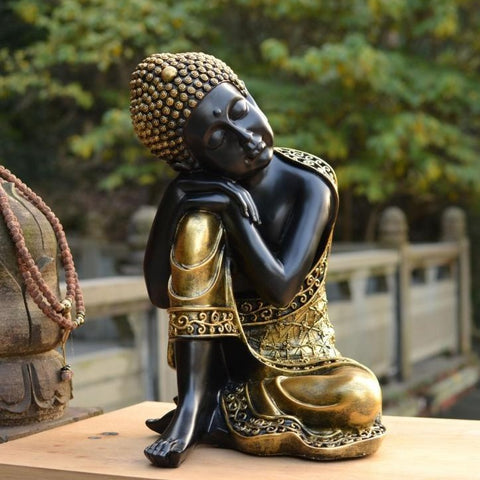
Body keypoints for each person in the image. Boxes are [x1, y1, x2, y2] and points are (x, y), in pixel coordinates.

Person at [130, 52, 384, 468]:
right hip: (223, 362)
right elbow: (161, 295)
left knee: (360, 396)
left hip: (302, 364)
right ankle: (194, 406)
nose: (246, 138)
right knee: (198, 223)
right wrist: (174, 200)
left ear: (248, 95)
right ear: (191, 161)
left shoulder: (309, 181)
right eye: (218, 140)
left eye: (239, 111)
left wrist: (237, 214)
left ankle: (220, 410)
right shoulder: (201, 202)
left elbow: (281, 288)